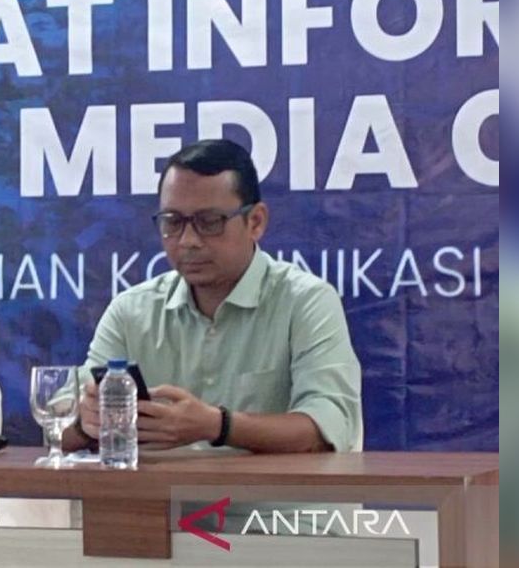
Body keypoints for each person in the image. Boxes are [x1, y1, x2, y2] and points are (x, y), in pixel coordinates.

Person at [62, 139, 362, 455]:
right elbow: (57, 426)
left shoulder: (306, 302)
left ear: (256, 222)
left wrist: (217, 426)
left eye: (209, 222)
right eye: (172, 222)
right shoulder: (131, 312)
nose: (188, 241)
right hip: (159, 489)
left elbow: (327, 429)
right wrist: (86, 424)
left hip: (269, 490)